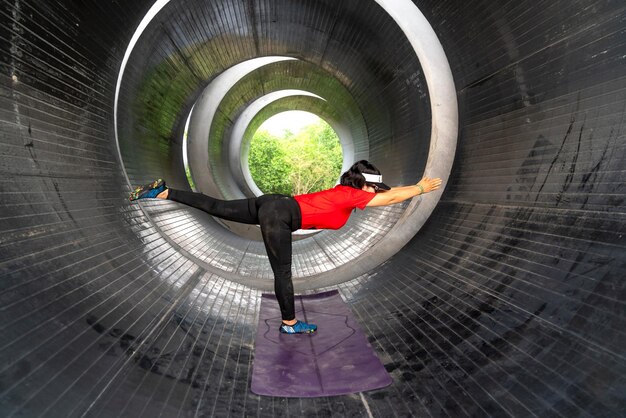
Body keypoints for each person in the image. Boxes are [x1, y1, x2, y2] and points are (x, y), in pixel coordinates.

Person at [129, 160, 442, 334]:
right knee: (283, 274)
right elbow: (388, 198)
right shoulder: (351, 194)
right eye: (373, 186)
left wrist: (408, 187)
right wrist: (419, 188)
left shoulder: (345, 192)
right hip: (281, 215)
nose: (375, 192)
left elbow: (384, 193)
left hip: (274, 203)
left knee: (216, 206)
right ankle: (290, 324)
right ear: (362, 185)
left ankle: (162, 192)